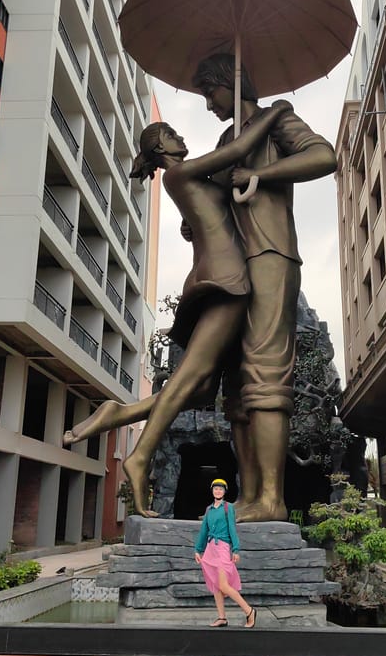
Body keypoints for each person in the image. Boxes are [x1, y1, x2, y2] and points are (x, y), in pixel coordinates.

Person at [63, 100, 292, 516]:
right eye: (173, 134)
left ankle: (123, 412)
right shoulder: (182, 173)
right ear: (162, 146)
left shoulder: (191, 180)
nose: (182, 137)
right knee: (192, 377)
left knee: (202, 386)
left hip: (220, 275)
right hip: (227, 280)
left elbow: (221, 199)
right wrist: (275, 113)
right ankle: (140, 454)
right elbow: (238, 149)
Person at [188, 53, 338, 523]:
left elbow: (325, 156)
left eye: (209, 93)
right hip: (231, 269)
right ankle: (249, 495)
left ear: (227, 84)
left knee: (266, 371)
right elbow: (217, 198)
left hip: (271, 256)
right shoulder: (226, 139)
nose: (209, 105)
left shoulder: (278, 120)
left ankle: (273, 499)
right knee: (236, 385)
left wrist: (260, 175)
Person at [194, 479, 256, 628]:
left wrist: (235, 549)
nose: (218, 491)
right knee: (216, 585)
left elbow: (232, 529)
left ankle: (249, 610)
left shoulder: (228, 508)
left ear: (224, 491)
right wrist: (198, 549)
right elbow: (204, 530)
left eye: (220, 489)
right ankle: (222, 617)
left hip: (222, 548)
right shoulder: (209, 509)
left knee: (223, 585)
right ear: (212, 491)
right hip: (210, 549)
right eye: (215, 489)